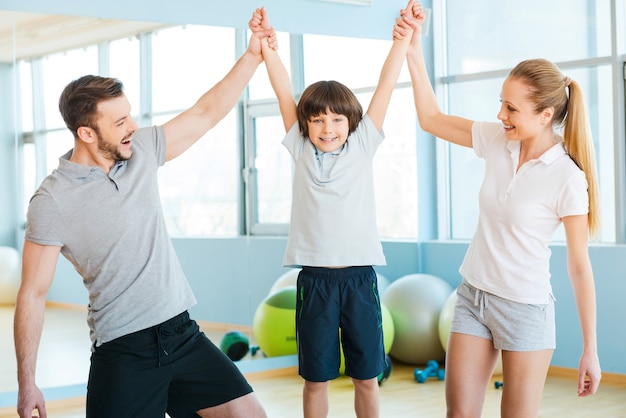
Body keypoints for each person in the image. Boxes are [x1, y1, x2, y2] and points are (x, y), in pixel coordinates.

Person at [13, 20, 277, 418]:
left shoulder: (140, 151)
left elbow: (205, 113)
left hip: (181, 333)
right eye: (119, 122)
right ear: (86, 133)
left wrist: (253, 56)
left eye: (130, 116)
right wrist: (27, 382)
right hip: (124, 349)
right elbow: (32, 293)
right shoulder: (52, 200)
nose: (132, 127)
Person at [395, 3, 602, 417]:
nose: (499, 115)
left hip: (525, 310)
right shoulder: (496, 139)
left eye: (511, 109)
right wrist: (413, 49)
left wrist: (590, 350)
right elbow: (431, 119)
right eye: (500, 103)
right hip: (473, 297)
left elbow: (579, 266)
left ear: (546, 116)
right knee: (460, 414)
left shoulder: (567, 177)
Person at [248, 3, 416, 418]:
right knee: (316, 378)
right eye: (318, 120)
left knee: (365, 377)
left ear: (351, 122)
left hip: (359, 279)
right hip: (315, 281)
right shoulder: (301, 148)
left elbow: (386, 84)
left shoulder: (363, 144)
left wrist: (403, 39)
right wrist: (270, 47)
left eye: (336, 120)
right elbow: (283, 91)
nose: (327, 128)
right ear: (306, 125)